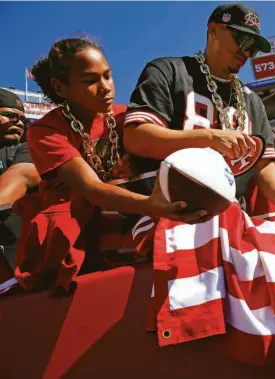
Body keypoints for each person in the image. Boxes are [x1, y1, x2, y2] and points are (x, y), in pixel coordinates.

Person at [12, 37, 199, 292]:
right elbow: (91, 188)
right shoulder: (45, 131)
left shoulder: (127, 115)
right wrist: (151, 205)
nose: (105, 88)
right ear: (60, 87)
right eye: (90, 81)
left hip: (131, 219)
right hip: (78, 233)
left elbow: (157, 151)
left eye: (108, 76)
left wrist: (137, 159)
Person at [123, 3, 275, 227]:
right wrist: (210, 139)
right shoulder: (169, 71)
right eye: (242, 39)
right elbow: (135, 138)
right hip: (167, 215)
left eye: (253, 47)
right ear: (213, 31)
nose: (246, 51)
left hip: (230, 219)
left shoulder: (252, 101)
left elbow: (264, 165)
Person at [0, 88, 41, 292]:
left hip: (15, 269)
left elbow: (22, 177)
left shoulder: (25, 149)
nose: (19, 123)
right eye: (9, 116)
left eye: (23, 120)